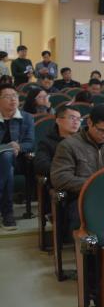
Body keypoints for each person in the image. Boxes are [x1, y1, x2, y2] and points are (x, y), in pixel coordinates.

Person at [34, 105, 81, 218]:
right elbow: (41, 164)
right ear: (58, 120)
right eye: (72, 118)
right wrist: (65, 171)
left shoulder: (85, 141)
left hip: (83, 180)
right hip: (62, 184)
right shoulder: (47, 142)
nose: (76, 122)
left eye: (79, 119)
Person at [0, 83, 35, 229]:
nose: (13, 99)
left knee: (7, 158)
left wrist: (19, 147)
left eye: (15, 96)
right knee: (7, 163)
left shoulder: (26, 117)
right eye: (7, 96)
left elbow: (30, 142)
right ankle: (7, 214)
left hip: (19, 161)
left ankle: (7, 212)